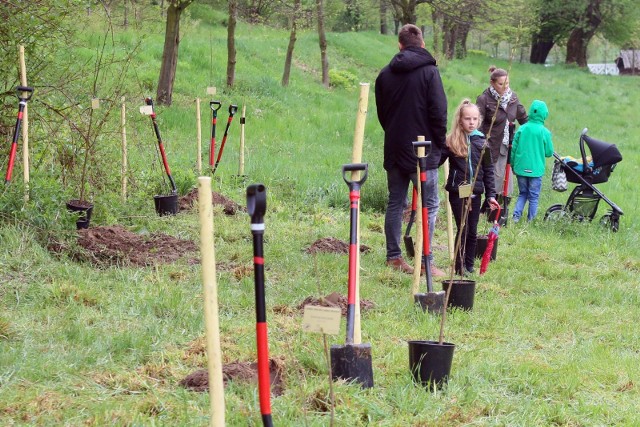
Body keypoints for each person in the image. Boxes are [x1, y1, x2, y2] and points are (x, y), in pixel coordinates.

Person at [375, 24, 447, 276]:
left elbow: (382, 114)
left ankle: (394, 256)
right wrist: (441, 145)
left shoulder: (385, 74)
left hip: (394, 147)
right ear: (422, 44)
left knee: (395, 201)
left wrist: (395, 134)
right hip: (422, 149)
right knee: (430, 203)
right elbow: (439, 112)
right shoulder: (429, 72)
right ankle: (426, 260)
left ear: (399, 44)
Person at [441, 99, 499, 275]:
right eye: (467, 119)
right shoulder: (451, 142)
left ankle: (469, 265)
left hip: (476, 193)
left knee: (472, 231)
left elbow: (489, 171)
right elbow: (436, 161)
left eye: (474, 119)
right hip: (458, 192)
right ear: (460, 120)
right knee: (463, 228)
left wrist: (491, 195)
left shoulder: (483, 143)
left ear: (479, 120)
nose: (471, 122)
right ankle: (459, 266)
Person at [476, 66, 528, 196]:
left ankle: (499, 210)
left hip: (507, 146)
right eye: (501, 84)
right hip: (489, 146)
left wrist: (536, 129)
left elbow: (524, 118)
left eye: (507, 83)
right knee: (492, 179)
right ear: (492, 83)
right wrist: (482, 144)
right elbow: (478, 125)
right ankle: (488, 209)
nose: (505, 87)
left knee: (506, 184)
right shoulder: (484, 99)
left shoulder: (513, 98)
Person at [510, 99, 554, 222]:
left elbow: (513, 148)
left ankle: (515, 217)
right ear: (544, 114)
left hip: (520, 168)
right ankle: (531, 220)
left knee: (522, 193)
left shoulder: (522, 129)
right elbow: (549, 152)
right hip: (536, 169)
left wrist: (513, 165)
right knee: (533, 197)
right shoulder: (544, 132)